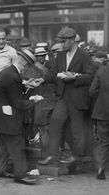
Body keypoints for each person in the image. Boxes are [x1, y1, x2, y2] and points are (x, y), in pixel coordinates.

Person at [38, 27, 94, 166]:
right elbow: (54, 73)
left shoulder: (84, 55)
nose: (62, 45)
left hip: (77, 97)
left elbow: (90, 76)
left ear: (72, 40)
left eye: (64, 42)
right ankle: (53, 155)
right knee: (54, 125)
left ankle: (77, 156)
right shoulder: (61, 55)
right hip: (63, 96)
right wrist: (43, 80)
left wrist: (74, 77)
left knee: (76, 129)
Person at [0, 49, 41, 185]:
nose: (27, 69)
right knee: (17, 145)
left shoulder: (8, 72)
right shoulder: (13, 76)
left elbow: (11, 90)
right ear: (24, 63)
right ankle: (21, 175)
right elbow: (18, 103)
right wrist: (34, 100)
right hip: (8, 119)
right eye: (28, 66)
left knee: (2, 146)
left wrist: (25, 85)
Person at [89, 60, 109, 180]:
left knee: (102, 141)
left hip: (102, 112)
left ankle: (101, 167)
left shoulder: (101, 70)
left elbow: (92, 91)